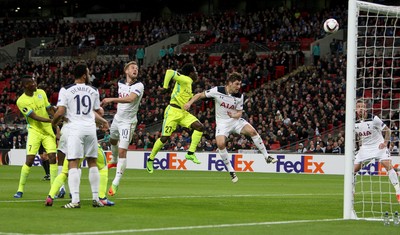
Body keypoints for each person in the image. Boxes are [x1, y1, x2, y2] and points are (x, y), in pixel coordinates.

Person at [184, 72, 277, 183]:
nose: (239, 87)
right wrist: (189, 103)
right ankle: (231, 170)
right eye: (237, 84)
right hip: (222, 123)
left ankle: (267, 156)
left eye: (240, 84)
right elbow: (199, 95)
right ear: (230, 83)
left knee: (252, 131)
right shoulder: (217, 90)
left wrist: (234, 115)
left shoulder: (239, 96)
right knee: (220, 144)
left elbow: (239, 113)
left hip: (235, 121)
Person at [52, 63, 104, 208]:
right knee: (92, 162)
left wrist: (53, 122)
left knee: (73, 162)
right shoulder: (93, 90)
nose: (89, 74)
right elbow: (97, 112)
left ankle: (75, 200)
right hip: (90, 129)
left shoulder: (66, 90)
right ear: (83, 75)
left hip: (75, 129)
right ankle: (96, 198)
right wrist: (102, 121)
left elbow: (61, 111)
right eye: (88, 72)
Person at [45, 108, 114, 207]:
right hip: (88, 138)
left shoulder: (71, 105)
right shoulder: (88, 105)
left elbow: (57, 111)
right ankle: (101, 197)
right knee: (102, 167)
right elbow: (94, 113)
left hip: (72, 138)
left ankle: (50, 196)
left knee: (65, 172)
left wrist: (54, 122)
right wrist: (102, 120)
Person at [146, 63, 204, 173]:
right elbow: (169, 72)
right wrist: (165, 87)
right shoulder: (185, 79)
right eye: (195, 72)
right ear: (191, 73)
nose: (197, 74)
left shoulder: (188, 84)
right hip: (173, 111)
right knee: (164, 138)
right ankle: (150, 159)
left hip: (183, 113)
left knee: (199, 127)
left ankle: (190, 153)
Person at [100, 61, 144, 197]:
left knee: (122, 151)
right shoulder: (120, 83)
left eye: (137, 68)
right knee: (112, 141)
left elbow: (130, 99)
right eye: (132, 68)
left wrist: (111, 100)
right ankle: (113, 160)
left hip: (128, 122)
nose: (135, 70)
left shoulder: (139, 85)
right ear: (126, 71)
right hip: (117, 119)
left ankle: (116, 182)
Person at [13, 75, 58, 198]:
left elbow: (48, 107)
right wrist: (51, 121)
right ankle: (20, 189)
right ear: (25, 86)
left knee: (53, 157)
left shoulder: (41, 93)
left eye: (34, 82)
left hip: (48, 131)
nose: (35, 84)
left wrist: (56, 117)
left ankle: (53, 189)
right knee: (30, 160)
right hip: (34, 131)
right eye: (32, 83)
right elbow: (34, 116)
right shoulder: (21, 101)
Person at [354, 100, 400, 202]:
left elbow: (388, 130)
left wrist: (385, 142)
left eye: (362, 106)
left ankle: (398, 191)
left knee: (387, 165)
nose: (360, 108)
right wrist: (360, 146)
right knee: (353, 170)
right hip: (365, 148)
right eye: (358, 106)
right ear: (356, 109)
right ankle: (351, 191)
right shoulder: (354, 122)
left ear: (366, 108)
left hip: (378, 146)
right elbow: (359, 137)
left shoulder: (373, 118)